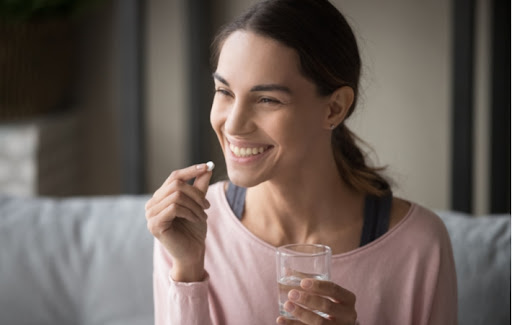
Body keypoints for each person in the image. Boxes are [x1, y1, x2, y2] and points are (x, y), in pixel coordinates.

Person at [145, 0, 458, 324]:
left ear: (334, 108)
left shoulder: (419, 246)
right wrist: (187, 271)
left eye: (267, 99)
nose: (234, 124)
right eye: (224, 91)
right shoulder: (188, 226)